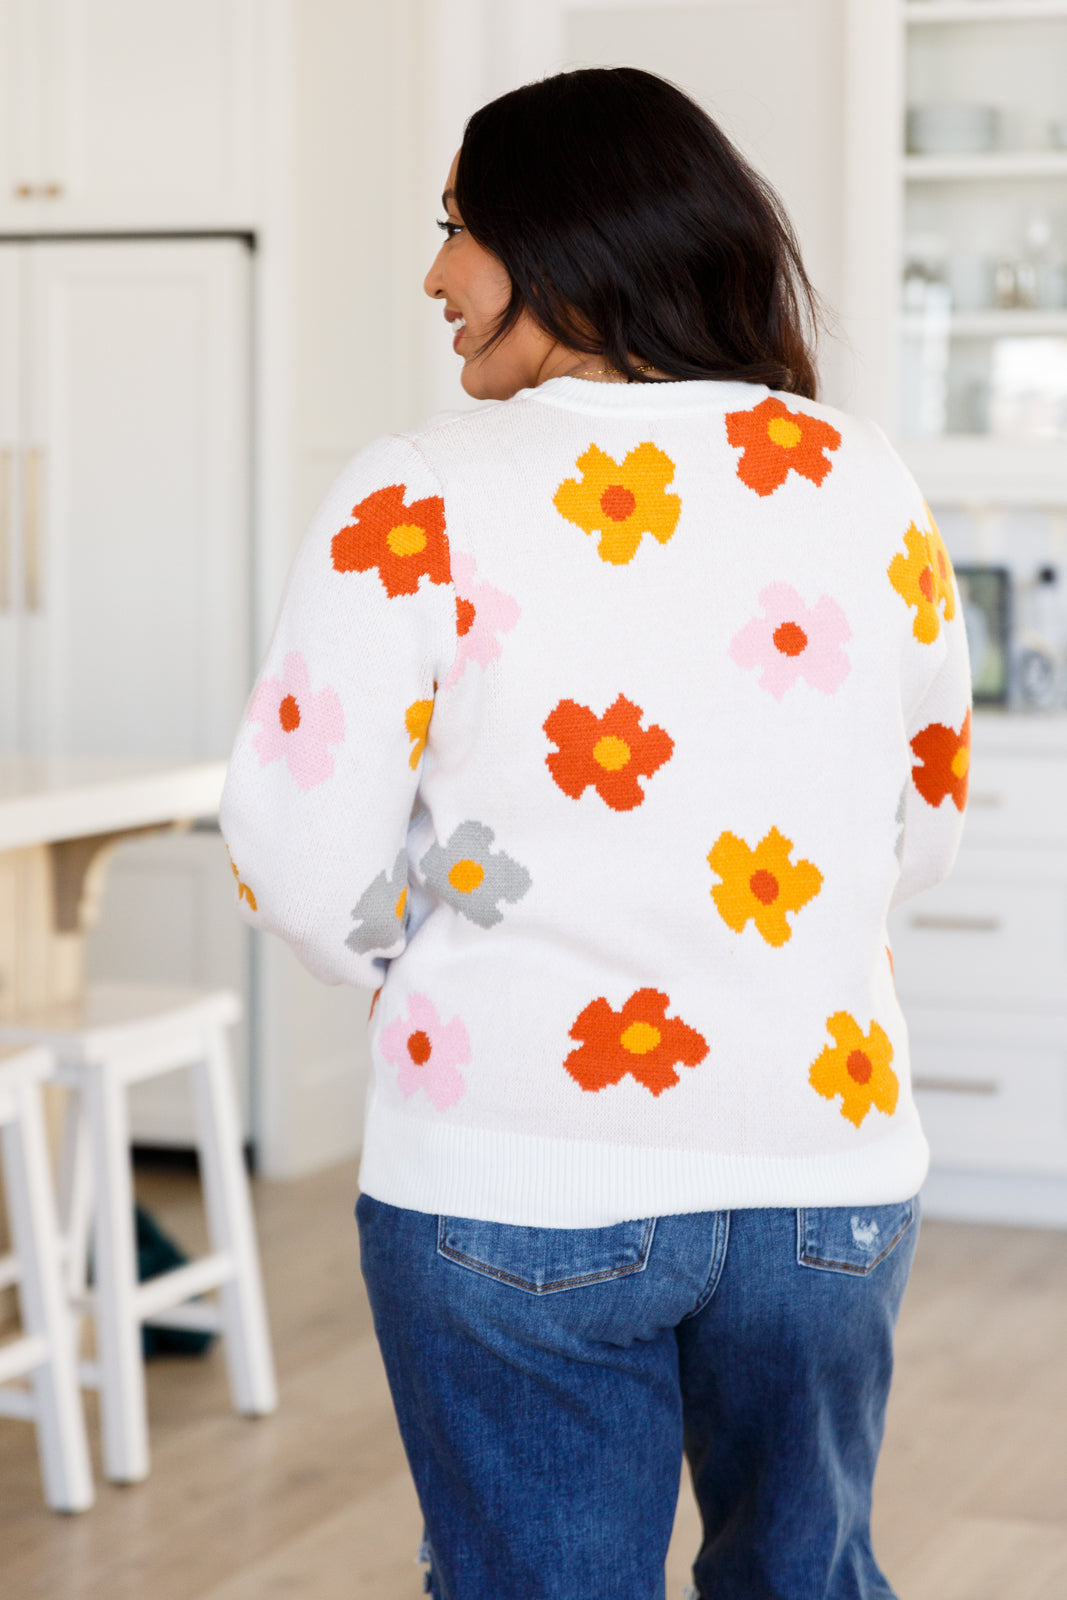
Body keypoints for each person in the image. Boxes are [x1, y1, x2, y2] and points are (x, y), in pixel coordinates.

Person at [220, 66, 970, 1600]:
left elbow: (298, 859)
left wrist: (443, 963)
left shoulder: (421, 488)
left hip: (513, 1172)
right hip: (821, 1169)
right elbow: (921, 819)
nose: (435, 275)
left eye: (459, 229)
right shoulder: (859, 477)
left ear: (568, 238)